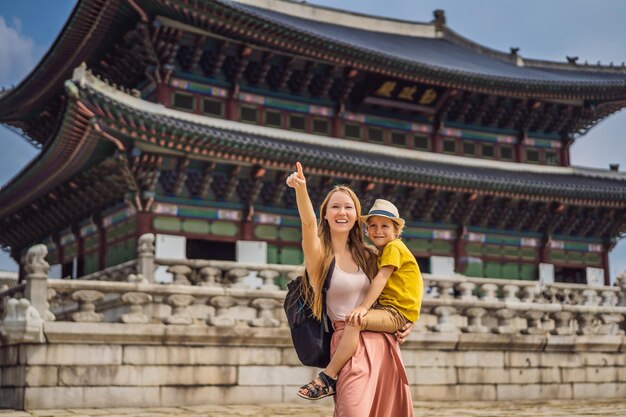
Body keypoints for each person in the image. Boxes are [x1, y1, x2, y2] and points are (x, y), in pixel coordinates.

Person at [286, 162, 414, 416]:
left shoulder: (370, 256)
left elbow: (397, 289)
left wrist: (406, 322)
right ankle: (327, 379)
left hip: (383, 344)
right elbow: (308, 224)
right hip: (347, 347)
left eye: (348, 207)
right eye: (335, 206)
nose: (341, 212)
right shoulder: (319, 255)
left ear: (357, 216)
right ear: (325, 214)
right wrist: (301, 190)